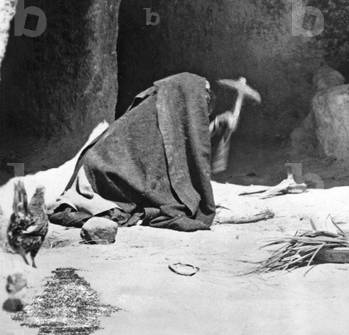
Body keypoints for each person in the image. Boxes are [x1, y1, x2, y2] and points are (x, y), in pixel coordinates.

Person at [49, 73, 260, 231]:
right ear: (185, 99)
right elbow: (182, 151)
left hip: (95, 167)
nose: (203, 103)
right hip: (103, 173)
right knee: (174, 202)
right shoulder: (150, 119)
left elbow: (183, 142)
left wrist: (216, 125)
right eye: (201, 99)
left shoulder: (163, 108)